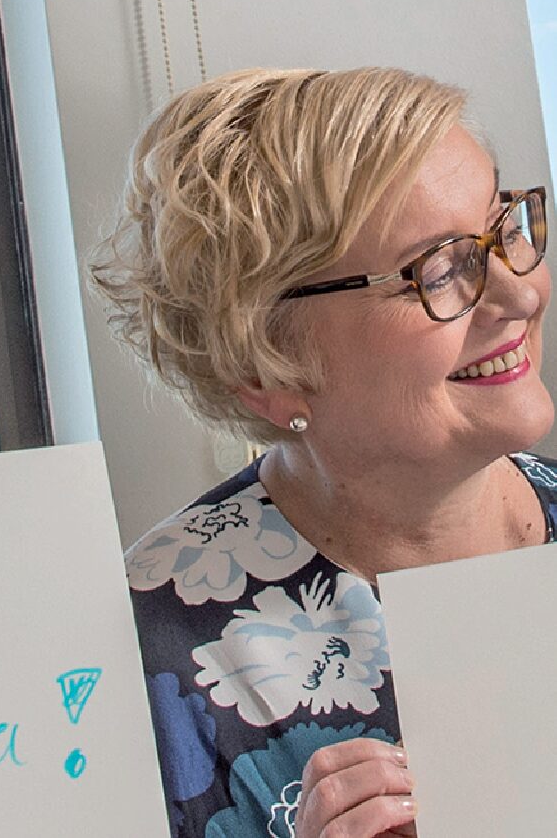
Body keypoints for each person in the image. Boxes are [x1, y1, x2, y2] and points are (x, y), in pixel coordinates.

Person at [91, 67, 556, 838]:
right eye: (438, 269)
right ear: (268, 369)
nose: (520, 294)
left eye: (500, 228)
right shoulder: (137, 665)